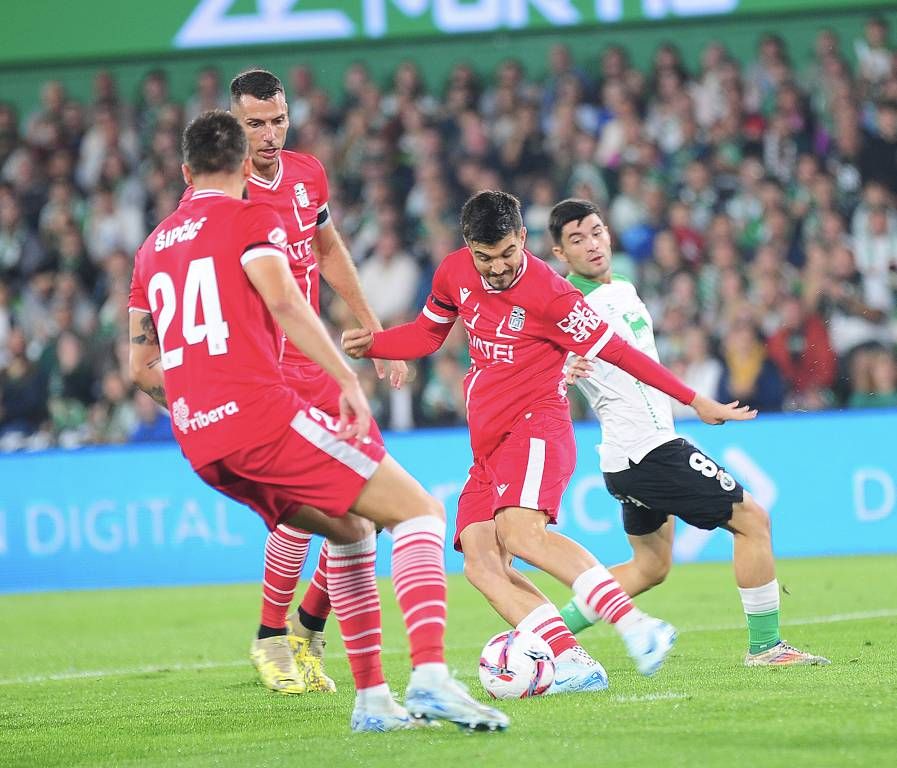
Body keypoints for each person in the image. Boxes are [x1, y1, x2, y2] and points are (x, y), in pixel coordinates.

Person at [128, 111, 508, 733]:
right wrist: (344, 376)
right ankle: (433, 678)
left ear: (183, 171)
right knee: (419, 513)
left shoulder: (152, 248)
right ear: (245, 165)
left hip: (201, 441)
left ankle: (373, 704)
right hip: (261, 417)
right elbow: (285, 299)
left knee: (352, 529)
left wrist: (201, 407)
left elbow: (143, 367)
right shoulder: (252, 217)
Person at [343, 190, 754, 690]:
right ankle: (573, 661)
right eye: (484, 257)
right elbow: (428, 336)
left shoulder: (553, 295)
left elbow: (623, 353)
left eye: (506, 254)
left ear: (522, 237)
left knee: (520, 534)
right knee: (481, 562)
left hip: (537, 426)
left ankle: (637, 626)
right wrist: (377, 345)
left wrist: (694, 400)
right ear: (468, 246)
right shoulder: (453, 272)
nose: (496, 269)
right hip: (487, 445)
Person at [547, 198, 830, 667]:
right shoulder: (567, 307)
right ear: (560, 253)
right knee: (753, 520)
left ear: (609, 234)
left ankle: (542, 637)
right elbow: (543, 355)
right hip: (649, 451)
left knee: (650, 567)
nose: (592, 244)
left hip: (628, 459)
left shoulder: (624, 287)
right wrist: (561, 366)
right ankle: (766, 647)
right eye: (576, 239)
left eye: (596, 232)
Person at [227, 69, 407, 695]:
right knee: (303, 510)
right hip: (265, 370)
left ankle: (307, 627)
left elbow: (328, 252)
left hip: (319, 363)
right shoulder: (220, 188)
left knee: (375, 508)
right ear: (234, 122)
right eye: (256, 124)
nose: (270, 134)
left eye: (278, 120)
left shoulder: (308, 175)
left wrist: (373, 329)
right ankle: (271, 638)